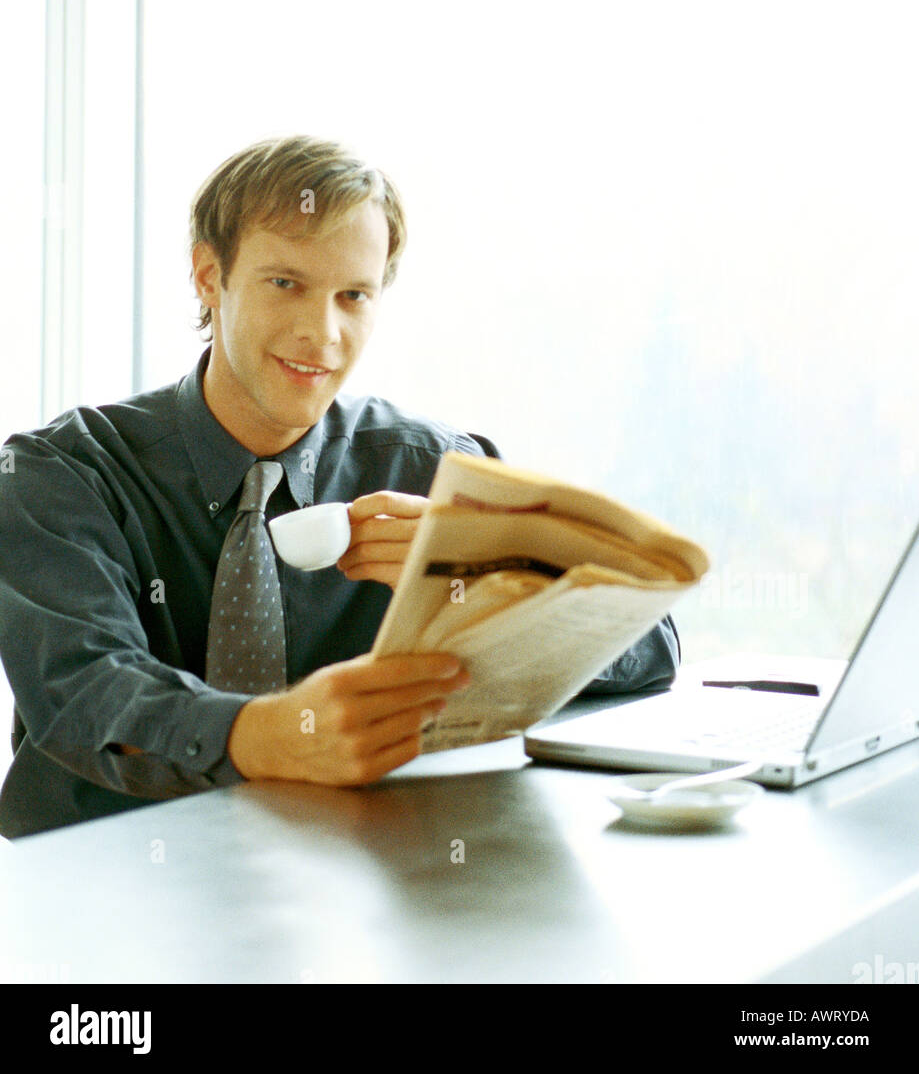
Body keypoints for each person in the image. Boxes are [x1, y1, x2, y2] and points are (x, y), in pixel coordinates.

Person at [0, 136, 679, 839]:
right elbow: (81, 691)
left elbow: (649, 651)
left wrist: (509, 583)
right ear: (209, 276)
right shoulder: (62, 475)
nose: (320, 333)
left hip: (353, 881)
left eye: (352, 295)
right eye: (285, 283)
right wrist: (267, 735)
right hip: (103, 888)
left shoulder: (433, 468)